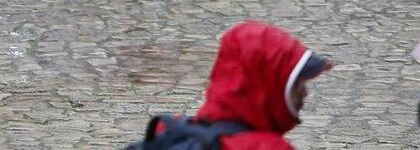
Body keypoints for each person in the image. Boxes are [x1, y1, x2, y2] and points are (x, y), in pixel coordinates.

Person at [129, 21, 332, 149]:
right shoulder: (265, 147)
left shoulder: (170, 131)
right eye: (297, 83)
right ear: (266, 87)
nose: (305, 92)